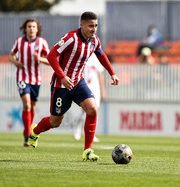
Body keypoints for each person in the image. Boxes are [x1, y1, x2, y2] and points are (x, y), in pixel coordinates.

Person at [29, 12, 119, 161]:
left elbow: (101, 55)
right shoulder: (70, 38)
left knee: (92, 108)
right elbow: (51, 56)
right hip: (61, 85)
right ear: (82, 25)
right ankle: (35, 131)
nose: (94, 29)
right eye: (91, 26)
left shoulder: (94, 41)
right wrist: (62, 77)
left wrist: (112, 73)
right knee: (55, 122)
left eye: (96, 25)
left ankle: (87, 151)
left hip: (78, 82)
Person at [8, 18, 50, 147]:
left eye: (33, 26)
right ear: (25, 29)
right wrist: (15, 62)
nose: (31, 29)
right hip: (22, 77)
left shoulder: (42, 42)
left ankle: (28, 132)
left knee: (32, 107)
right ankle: (27, 135)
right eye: (29, 26)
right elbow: (11, 55)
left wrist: (40, 59)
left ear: (37, 29)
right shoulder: (19, 42)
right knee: (26, 104)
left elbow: (50, 60)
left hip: (36, 79)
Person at [73, 53, 105, 142]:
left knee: (95, 110)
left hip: (96, 88)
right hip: (85, 86)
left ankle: (92, 134)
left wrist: (103, 90)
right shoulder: (82, 55)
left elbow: (100, 75)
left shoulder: (96, 57)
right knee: (84, 110)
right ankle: (77, 128)